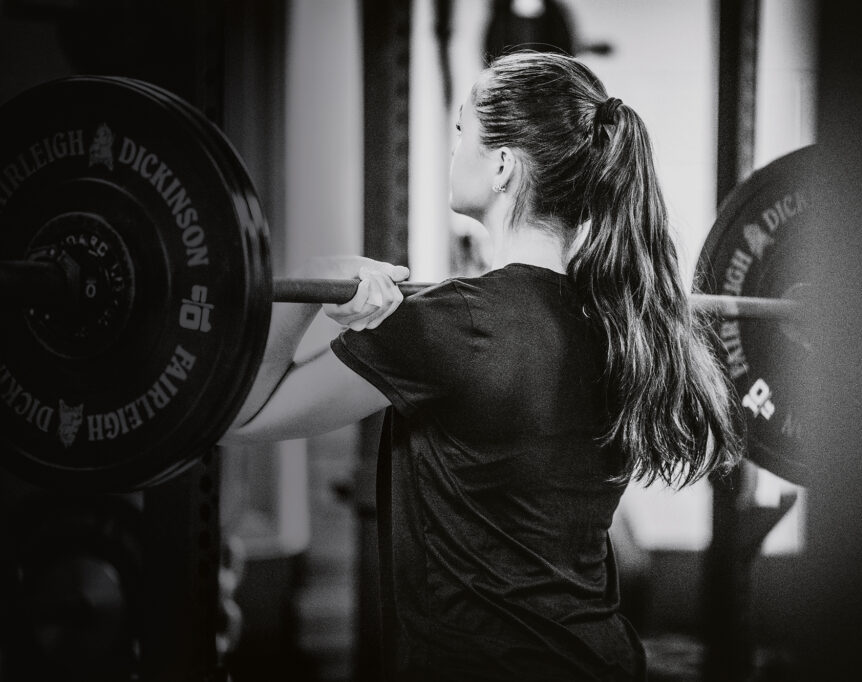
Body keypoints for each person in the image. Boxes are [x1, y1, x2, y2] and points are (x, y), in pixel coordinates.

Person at [224, 51, 742, 681]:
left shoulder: (452, 325)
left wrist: (318, 282)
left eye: (463, 130)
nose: (453, 150)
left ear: (502, 165)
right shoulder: (626, 323)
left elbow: (244, 413)